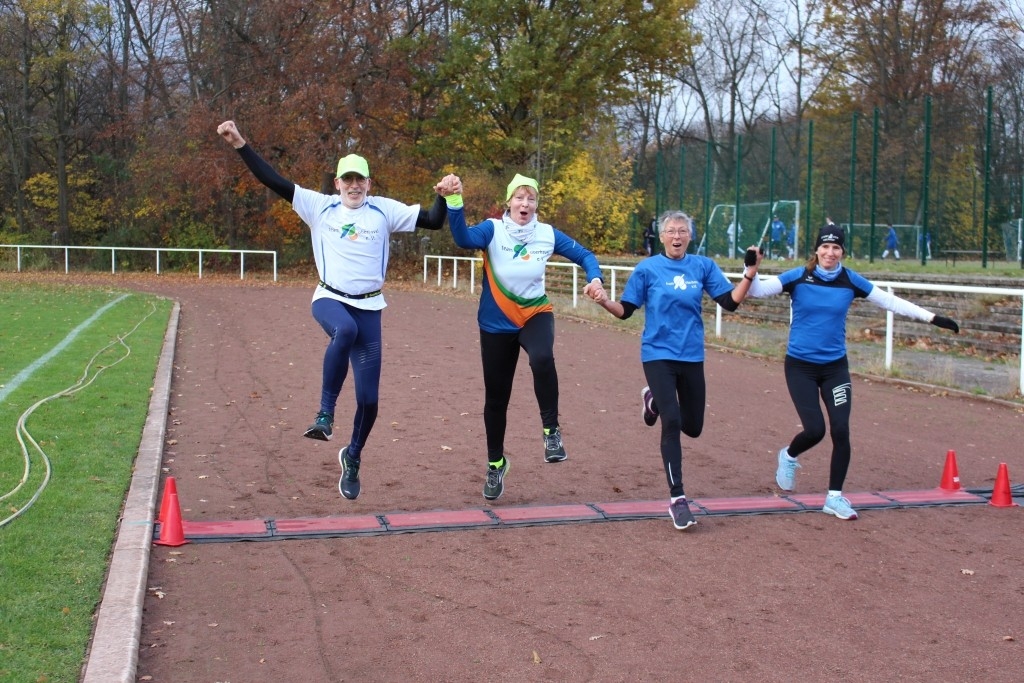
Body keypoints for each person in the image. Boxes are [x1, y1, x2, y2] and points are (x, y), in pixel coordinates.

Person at [216, 120, 451, 500]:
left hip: (370, 308)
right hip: (330, 298)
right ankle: (324, 415)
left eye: (360, 180)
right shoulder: (318, 207)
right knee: (345, 331)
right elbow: (273, 181)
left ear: (369, 184)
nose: (354, 186)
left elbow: (436, 221)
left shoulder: (383, 211)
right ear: (337, 184)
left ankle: (353, 455)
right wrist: (241, 144)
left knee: (370, 401)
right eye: (347, 180)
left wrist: (444, 195)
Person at [745, 224, 960, 520]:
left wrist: (933, 318)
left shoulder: (851, 281)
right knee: (815, 430)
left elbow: (890, 301)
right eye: (825, 247)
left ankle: (834, 497)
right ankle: (789, 455)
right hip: (800, 367)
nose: (830, 253)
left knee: (841, 429)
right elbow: (755, 292)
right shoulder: (798, 276)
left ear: (843, 252)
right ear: (817, 250)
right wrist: (751, 270)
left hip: (835, 368)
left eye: (836, 248)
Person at [587, 210, 761, 530]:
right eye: (670, 231)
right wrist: (603, 302)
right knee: (673, 420)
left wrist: (750, 272)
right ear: (662, 236)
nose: (677, 236)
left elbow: (730, 302)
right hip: (658, 355)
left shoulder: (703, 266)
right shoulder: (648, 269)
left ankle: (652, 400)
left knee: (692, 427)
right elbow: (626, 311)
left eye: (682, 231)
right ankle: (678, 499)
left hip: (692, 356)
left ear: (690, 236)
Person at [440, 172, 606, 501]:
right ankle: (495, 464)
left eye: (531, 198)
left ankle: (552, 432)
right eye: (519, 197)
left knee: (543, 357)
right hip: (496, 322)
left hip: (534, 314)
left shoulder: (546, 234)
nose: (525, 204)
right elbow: (462, 238)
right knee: (496, 400)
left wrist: (596, 278)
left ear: (536, 204)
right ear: (509, 202)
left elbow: (585, 255)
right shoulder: (492, 229)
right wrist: (454, 200)